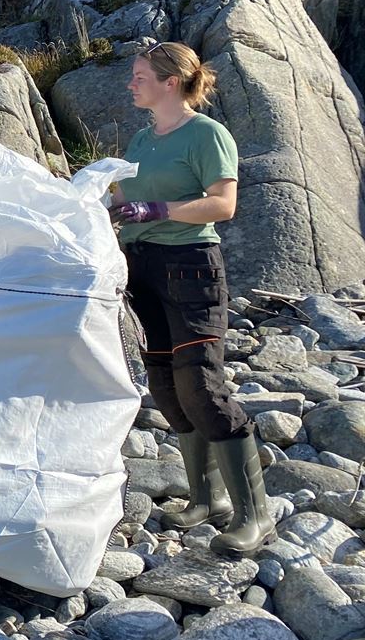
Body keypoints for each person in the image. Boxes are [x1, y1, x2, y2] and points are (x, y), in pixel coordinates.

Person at [112, 39, 269, 556]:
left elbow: (223, 205)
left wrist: (156, 210)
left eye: (140, 76)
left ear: (170, 82)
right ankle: (206, 500)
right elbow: (123, 202)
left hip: (191, 267)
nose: (132, 83)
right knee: (164, 384)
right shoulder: (141, 140)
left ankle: (255, 515)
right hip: (142, 270)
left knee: (200, 382)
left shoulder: (207, 134)